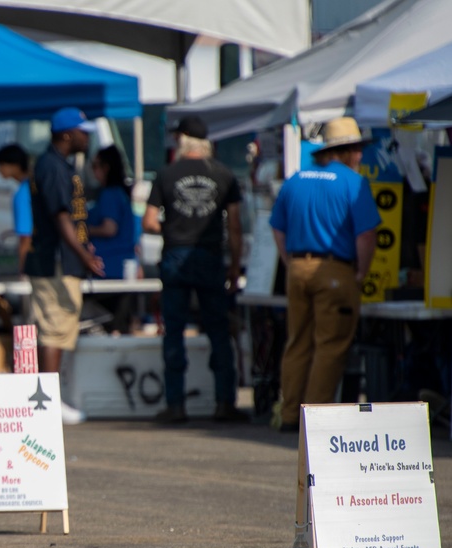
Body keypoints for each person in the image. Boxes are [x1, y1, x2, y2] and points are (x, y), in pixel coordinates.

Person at [269, 117, 381, 432]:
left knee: (298, 341)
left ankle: (290, 414)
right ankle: (314, 420)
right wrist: (361, 271)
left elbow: (277, 228)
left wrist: (290, 262)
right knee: (330, 345)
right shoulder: (353, 182)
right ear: (347, 151)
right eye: (357, 149)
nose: (359, 156)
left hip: (298, 267)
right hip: (335, 269)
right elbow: (366, 235)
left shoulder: (296, 179)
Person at [142, 116, 247, 424]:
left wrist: (173, 228)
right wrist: (235, 266)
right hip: (211, 256)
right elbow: (236, 227)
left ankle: (175, 405)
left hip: (176, 254)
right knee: (218, 330)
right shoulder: (225, 175)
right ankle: (224, 403)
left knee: (173, 331)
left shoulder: (166, 174)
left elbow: (148, 221)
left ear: (182, 139)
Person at [24, 107, 105, 426]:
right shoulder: (53, 166)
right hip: (53, 261)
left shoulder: (58, 164)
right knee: (54, 331)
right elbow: (60, 218)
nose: (87, 137)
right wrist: (83, 256)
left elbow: (69, 218)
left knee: (61, 329)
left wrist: (84, 248)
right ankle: (48, 403)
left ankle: (53, 400)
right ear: (66, 134)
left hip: (61, 259)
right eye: (83, 131)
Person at [88, 144, 140, 333]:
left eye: (95, 165)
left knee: (112, 326)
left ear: (106, 167)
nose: (92, 171)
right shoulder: (122, 194)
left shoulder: (110, 194)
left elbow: (109, 228)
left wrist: (81, 230)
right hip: (122, 269)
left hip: (108, 270)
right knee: (121, 325)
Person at [0, 143, 32, 276]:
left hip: (35, 264)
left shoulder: (22, 193)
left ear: (14, 165)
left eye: (1, 164)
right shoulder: (33, 186)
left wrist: (23, 270)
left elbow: (25, 237)